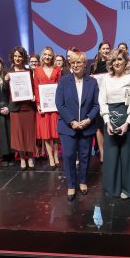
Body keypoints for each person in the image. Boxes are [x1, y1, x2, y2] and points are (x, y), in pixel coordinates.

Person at [55, 51, 99, 201]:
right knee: (68, 156)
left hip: (87, 126)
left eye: (78, 62)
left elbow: (96, 105)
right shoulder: (63, 81)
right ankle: (71, 184)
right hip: (68, 127)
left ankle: (82, 181)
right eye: (73, 62)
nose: (75, 65)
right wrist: (72, 121)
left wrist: (88, 119)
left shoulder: (92, 82)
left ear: (85, 64)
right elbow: (59, 104)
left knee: (85, 156)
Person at [99, 49, 130, 199]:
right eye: (113, 60)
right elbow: (102, 101)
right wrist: (106, 121)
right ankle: (113, 188)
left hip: (128, 122)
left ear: (125, 61)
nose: (117, 63)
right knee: (111, 156)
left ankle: (129, 189)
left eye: (119, 59)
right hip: (110, 121)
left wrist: (128, 123)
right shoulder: (106, 78)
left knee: (129, 156)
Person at [8, 46, 36, 170]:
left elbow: (34, 87)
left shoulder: (29, 72)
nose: (17, 58)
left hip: (28, 107)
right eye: (15, 56)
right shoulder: (8, 73)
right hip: (16, 108)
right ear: (12, 58)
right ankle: (22, 158)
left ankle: (30, 156)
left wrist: (34, 96)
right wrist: (5, 81)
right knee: (18, 134)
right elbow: (5, 91)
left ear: (23, 57)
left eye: (20, 56)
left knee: (29, 133)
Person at [33, 46, 62, 168]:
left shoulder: (57, 69)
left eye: (49, 55)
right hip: (44, 107)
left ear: (53, 56)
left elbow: (60, 87)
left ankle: (56, 154)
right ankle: (50, 156)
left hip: (55, 106)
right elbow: (36, 88)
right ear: (42, 56)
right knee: (45, 133)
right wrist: (38, 104)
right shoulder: (37, 70)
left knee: (55, 133)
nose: (47, 57)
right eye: (45, 54)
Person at [89, 41, 111, 163]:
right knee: (98, 127)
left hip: (111, 99)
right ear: (99, 50)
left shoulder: (113, 64)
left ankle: (109, 152)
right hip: (98, 99)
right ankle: (102, 153)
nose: (106, 50)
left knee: (108, 125)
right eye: (104, 48)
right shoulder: (94, 66)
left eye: (108, 48)